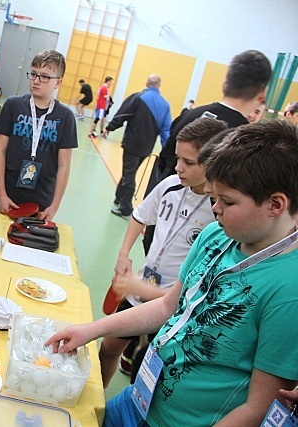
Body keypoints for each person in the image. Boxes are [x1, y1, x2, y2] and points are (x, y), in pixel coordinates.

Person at [47, 119, 298, 426]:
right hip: (139, 399)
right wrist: (92, 330)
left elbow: (258, 406)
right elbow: (169, 306)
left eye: (228, 201)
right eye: (214, 198)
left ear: (275, 204)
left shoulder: (289, 291)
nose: (215, 208)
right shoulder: (214, 236)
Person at [100, 117, 227, 388]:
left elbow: (194, 292)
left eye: (189, 162)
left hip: (170, 306)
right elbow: (139, 217)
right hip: (140, 289)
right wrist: (124, 255)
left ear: (212, 162)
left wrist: (143, 290)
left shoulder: (219, 212)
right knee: (108, 348)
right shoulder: (169, 185)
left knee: (149, 374)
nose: (178, 167)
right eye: (177, 158)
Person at [141, 50, 272, 254]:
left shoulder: (189, 116)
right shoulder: (245, 139)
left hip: (162, 229)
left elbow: (163, 165)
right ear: (262, 93)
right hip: (202, 243)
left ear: (225, 84)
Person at [0, 50, 77, 222]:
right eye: (33, 74)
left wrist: (54, 206)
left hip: (42, 201)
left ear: (58, 83)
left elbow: (64, 166)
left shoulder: (66, 117)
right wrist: (1, 194)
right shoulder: (13, 106)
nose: (37, 80)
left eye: (45, 76)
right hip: (8, 195)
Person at [105, 74, 172, 218]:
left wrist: (110, 127)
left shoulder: (138, 97)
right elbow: (166, 130)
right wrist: (167, 150)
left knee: (129, 175)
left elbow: (122, 114)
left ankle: (126, 208)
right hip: (147, 148)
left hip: (132, 144)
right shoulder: (165, 105)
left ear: (147, 83)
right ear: (159, 85)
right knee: (130, 171)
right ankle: (119, 197)